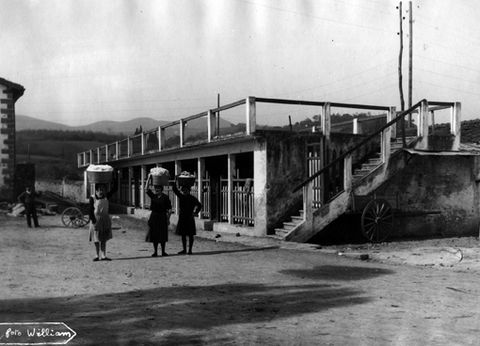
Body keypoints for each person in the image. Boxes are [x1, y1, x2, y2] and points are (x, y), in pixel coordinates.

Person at [89, 175, 117, 262]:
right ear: (96, 190)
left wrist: (115, 177)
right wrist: (94, 221)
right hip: (96, 220)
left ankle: (104, 255)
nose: (101, 191)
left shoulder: (106, 196)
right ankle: (97, 255)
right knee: (96, 239)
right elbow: (90, 210)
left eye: (103, 190)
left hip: (105, 219)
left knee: (103, 238)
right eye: (99, 190)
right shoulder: (92, 198)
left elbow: (115, 189)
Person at [172, 179, 202, 255]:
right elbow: (174, 189)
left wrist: (195, 213)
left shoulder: (189, 198)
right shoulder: (184, 197)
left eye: (186, 190)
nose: (184, 191)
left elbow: (199, 205)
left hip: (188, 217)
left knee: (189, 235)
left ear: (189, 190)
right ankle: (186, 250)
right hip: (185, 217)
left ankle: (189, 250)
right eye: (183, 190)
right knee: (184, 235)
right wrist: (176, 181)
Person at [145, 181, 172, 257]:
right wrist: (148, 179)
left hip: (162, 217)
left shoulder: (165, 197)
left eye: (158, 188)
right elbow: (146, 189)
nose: (157, 190)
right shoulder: (153, 196)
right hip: (154, 217)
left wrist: (168, 218)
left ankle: (163, 251)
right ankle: (155, 252)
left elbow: (169, 209)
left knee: (162, 235)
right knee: (154, 235)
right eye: (156, 188)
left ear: (161, 189)